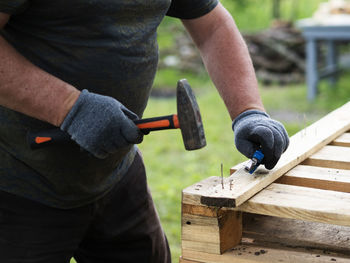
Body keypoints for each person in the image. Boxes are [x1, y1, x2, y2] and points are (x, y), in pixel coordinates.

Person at [0, 0, 289, 262]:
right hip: (19, 180)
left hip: (117, 175)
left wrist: (248, 111)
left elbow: (212, 24)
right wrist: (67, 106)